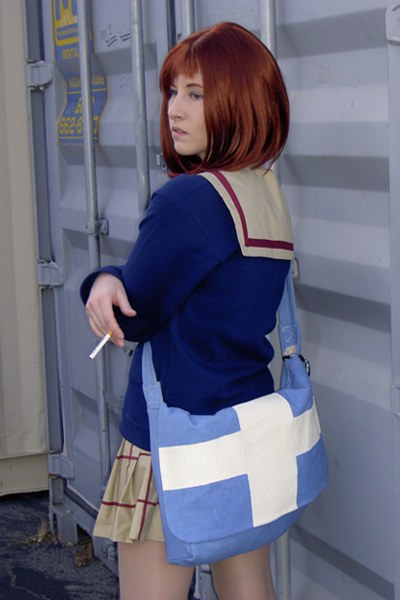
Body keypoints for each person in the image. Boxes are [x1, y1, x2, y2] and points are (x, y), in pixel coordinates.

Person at [81, 21, 293, 600]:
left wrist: (100, 280)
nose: (175, 109)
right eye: (173, 91)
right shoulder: (261, 190)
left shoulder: (191, 198)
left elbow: (132, 315)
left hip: (172, 437)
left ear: (241, 99)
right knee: (249, 588)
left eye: (196, 94)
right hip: (244, 427)